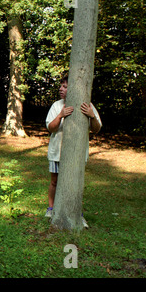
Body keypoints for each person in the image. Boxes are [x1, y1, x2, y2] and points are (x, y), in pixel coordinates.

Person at [45, 76, 102, 228]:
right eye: (61, 86)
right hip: (57, 152)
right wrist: (61, 115)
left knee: (75, 184)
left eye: (65, 87)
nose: (61, 89)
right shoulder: (57, 106)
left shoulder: (88, 105)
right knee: (55, 182)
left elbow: (96, 129)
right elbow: (51, 128)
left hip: (76, 155)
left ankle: (77, 214)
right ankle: (51, 210)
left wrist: (92, 115)